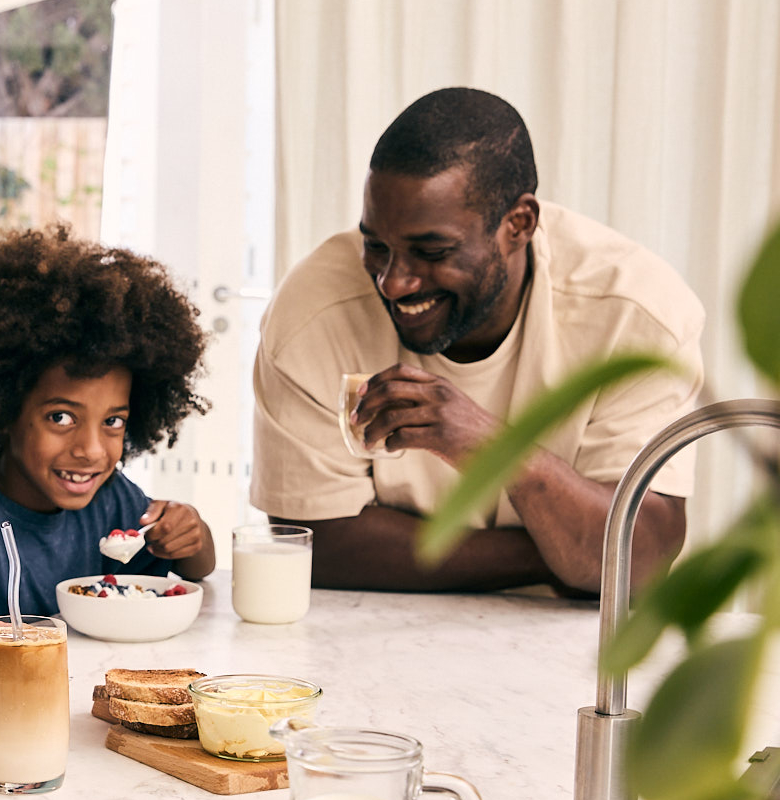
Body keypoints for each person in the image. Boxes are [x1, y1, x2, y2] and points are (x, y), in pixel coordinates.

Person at [251, 87, 703, 594]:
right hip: (371, 635)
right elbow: (319, 547)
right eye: (376, 246)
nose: (394, 282)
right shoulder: (313, 312)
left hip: (573, 648)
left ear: (519, 224)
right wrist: (565, 553)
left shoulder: (636, 314)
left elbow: (641, 557)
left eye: (432, 251)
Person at [0, 226, 217, 627]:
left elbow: (196, 569)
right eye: (61, 417)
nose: (92, 450)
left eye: (112, 421)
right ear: (4, 409)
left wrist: (190, 533)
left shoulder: (109, 499)